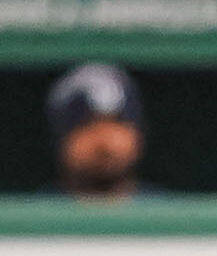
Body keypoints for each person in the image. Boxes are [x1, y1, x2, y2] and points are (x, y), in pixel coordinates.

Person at [44, 63, 164, 202]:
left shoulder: (171, 215)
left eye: (116, 122)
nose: (104, 140)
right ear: (62, 138)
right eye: (88, 125)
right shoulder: (36, 215)